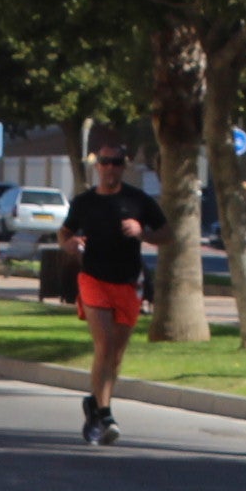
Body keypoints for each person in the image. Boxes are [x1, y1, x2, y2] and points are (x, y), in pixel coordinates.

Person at [59, 146, 164, 444]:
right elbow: (64, 233)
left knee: (115, 356)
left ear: (124, 166)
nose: (110, 167)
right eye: (105, 162)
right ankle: (105, 414)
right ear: (97, 167)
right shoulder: (85, 202)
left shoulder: (137, 200)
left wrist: (142, 232)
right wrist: (70, 243)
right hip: (93, 278)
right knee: (104, 344)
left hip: (128, 283)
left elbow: (168, 234)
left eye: (116, 162)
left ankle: (94, 403)